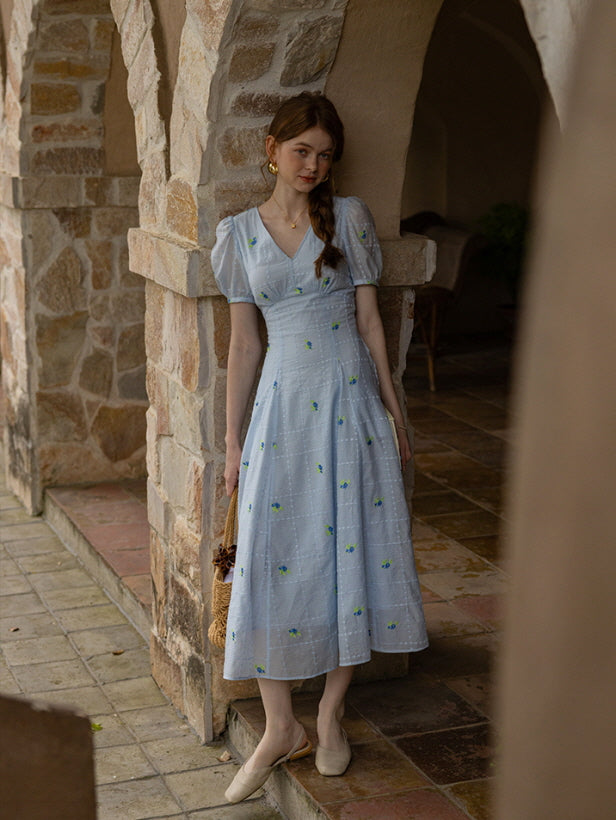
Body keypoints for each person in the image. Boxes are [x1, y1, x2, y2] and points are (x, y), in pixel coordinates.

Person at [211, 92, 428, 804]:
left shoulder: (351, 219)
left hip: (348, 404)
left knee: (350, 555)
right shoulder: (238, 235)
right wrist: (233, 441)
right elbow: (244, 344)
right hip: (280, 410)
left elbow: (371, 324)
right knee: (269, 558)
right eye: (301, 149)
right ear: (271, 150)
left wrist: (394, 414)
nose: (313, 164)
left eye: (324, 154)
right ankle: (281, 727)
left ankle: (330, 716)